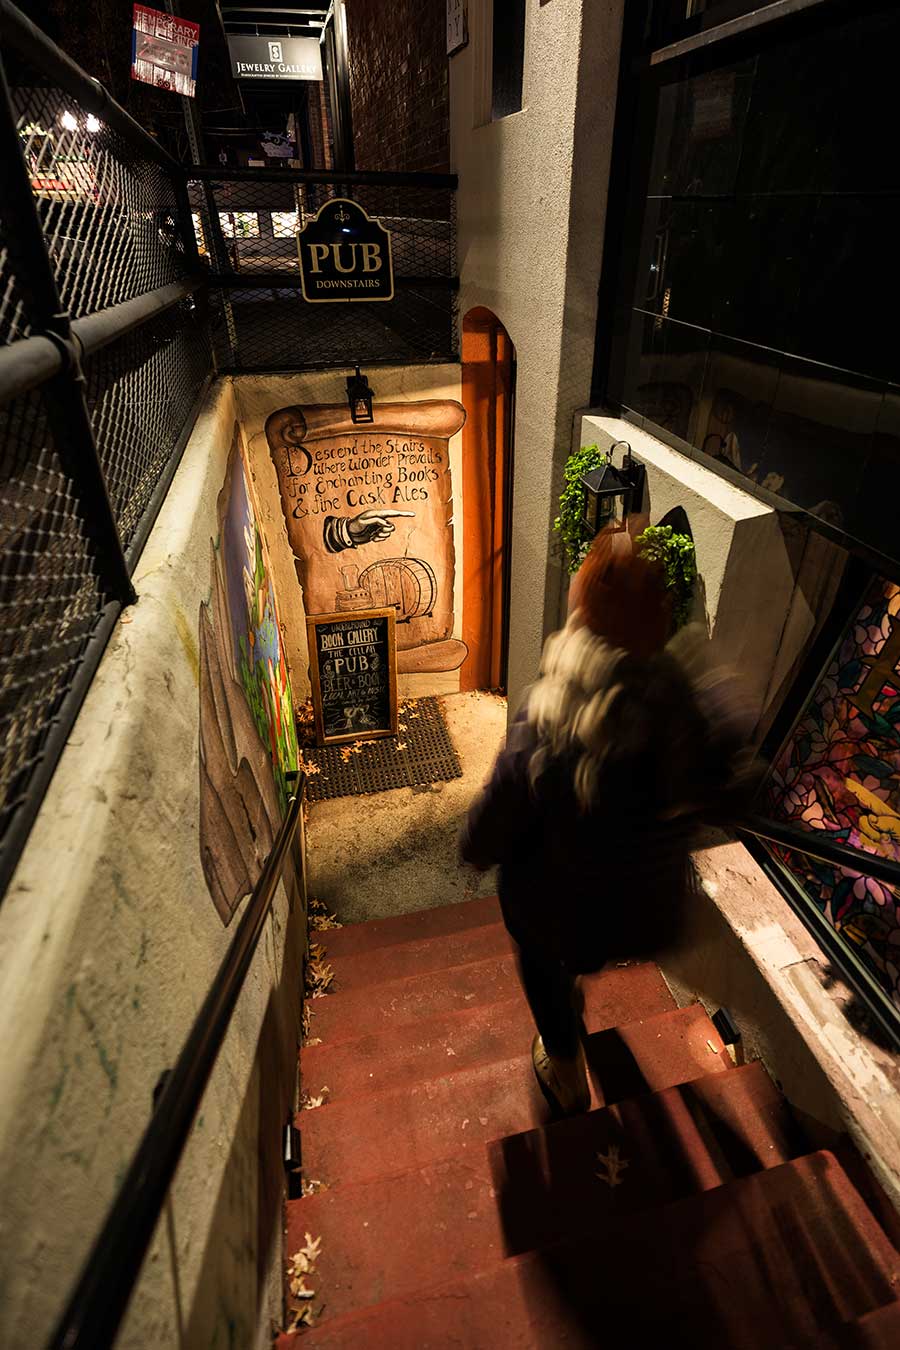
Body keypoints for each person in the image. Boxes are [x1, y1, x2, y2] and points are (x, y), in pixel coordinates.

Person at [459, 525, 754, 1115]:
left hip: (553, 908)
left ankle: (566, 1069)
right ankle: (579, 978)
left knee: (545, 967)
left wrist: (473, 849)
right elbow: (726, 778)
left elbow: (502, 810)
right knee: (584, 945)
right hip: (637, 910)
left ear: (584, 607)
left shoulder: (553, 715)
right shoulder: (680, 696)